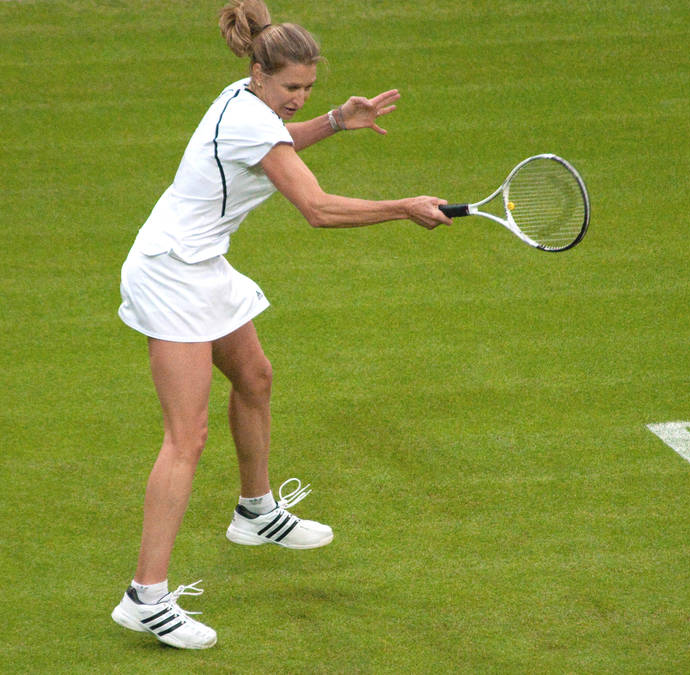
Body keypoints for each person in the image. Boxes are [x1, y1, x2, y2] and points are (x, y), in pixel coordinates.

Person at [111, 0, 450, 650]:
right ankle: (145, 597)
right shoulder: (247, 118)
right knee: (187, 437)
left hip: (201, 263)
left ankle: (255, 511)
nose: (298, 99)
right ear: (261, 75)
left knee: (255, 376)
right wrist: (404, 206)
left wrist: (336, 121)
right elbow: (318, 208)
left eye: (309, 89)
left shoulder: (246, 102)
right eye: (292, 88)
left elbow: (280, 140)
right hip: (169, 272)